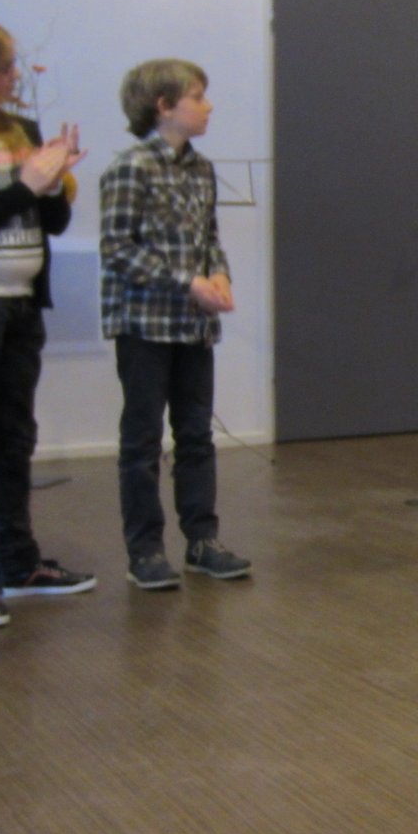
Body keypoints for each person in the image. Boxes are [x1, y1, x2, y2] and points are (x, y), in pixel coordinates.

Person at [0, 17, 96, 628]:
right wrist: (24, 187)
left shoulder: (23, 131)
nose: (15, 77)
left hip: (21, 306)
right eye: (5, 67)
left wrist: (55, 183)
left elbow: (52, 224)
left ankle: (19, 563)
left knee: (14, 438)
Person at [101, 59, 250, 590]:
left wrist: (219, 275)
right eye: (197, 96)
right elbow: (117, 248)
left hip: (192, 324)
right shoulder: (131, 168)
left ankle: (202, 540)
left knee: (195, 435)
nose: (208, 106)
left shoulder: (201, 168)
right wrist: (187, 282)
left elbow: (210, 238)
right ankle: (144, 551)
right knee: (143, 441)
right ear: (163, 106)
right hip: (144, 323)